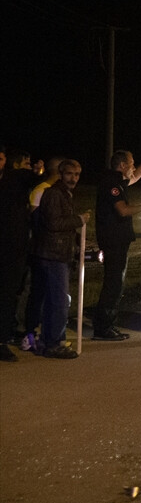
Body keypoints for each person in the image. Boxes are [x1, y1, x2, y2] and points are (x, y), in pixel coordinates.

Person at [92, 140, 141, 340]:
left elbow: (136, 176)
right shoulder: (111, 184)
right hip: (113, 241)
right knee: (113, 284)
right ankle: (103, 328)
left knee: (116, 283)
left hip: (117, 241)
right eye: (131, 163)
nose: (133, 167)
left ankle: (107, 326)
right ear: (122, 165)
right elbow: (122, 210)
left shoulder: (117, 181)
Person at [31, 159, 88, 360]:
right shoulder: (55, 194)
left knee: (53, 300)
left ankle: (48, 341)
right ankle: (54, 343)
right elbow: (54, 223)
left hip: (57, 253)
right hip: (53, 254)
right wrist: (79, 220)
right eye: (70, 174)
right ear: (61, 174)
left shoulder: (65, 194)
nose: (74, 178)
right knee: (60, 301)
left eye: (77, 174)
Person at [0, 147, 44, 362]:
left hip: (13, 248)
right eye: (26, 164)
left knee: (9, 294)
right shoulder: (14, 179)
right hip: (10, 247)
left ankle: (3, 338)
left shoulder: (13, 182)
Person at [21, 156, 64, 347]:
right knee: (38, 292)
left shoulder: (55, 191)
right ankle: (29, 333)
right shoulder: (42, 191)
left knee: (48, 293)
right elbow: (35, 221)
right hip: (40, 250)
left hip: (51, 250)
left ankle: (45, 332)